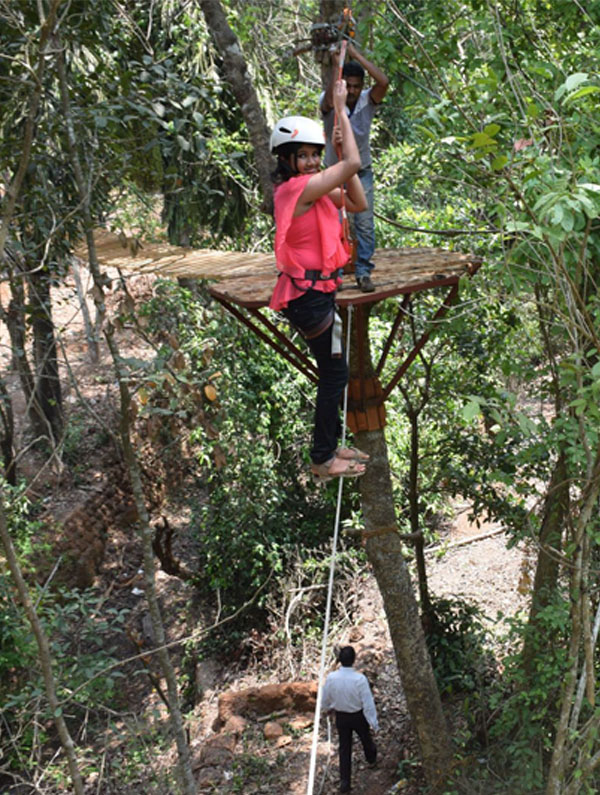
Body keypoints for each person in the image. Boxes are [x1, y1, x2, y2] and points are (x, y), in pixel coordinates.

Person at [269, 80, 370, 483]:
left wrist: (343, 154)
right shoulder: (297, 191)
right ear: (287, 161)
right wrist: (342, 112)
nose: (312, 162)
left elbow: (358, 201)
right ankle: (322, 458)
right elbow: (352, 167)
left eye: (315, 155)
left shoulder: (316, 190)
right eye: (304, 156)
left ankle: (328, 449)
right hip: (308, 299)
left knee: (335, 372)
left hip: (318, 295)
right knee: (334, 375)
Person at [320, 42, 389, 293]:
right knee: (335, 224)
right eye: (347, 85)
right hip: (334, 174)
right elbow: (329, 99)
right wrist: (336, 67)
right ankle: (335, 275)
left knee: (364, 224)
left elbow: (383, 82)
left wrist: (356, 55)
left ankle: (363, 272)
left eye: (356, 86)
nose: (351, 90)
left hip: (361, 173)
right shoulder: (331, 101)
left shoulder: (367, 101)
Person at [321, 645, 379, 793]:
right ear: (354, 660)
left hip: (341, 717)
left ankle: (345, 782)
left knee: (344, 748)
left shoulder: (332, 677)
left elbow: (325, 696)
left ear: (339, 660)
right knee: (365, 737)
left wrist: (326, 708)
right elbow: (367, 702)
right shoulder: (359, 679)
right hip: (357, 715)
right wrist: (373, 722)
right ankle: (371, 759)